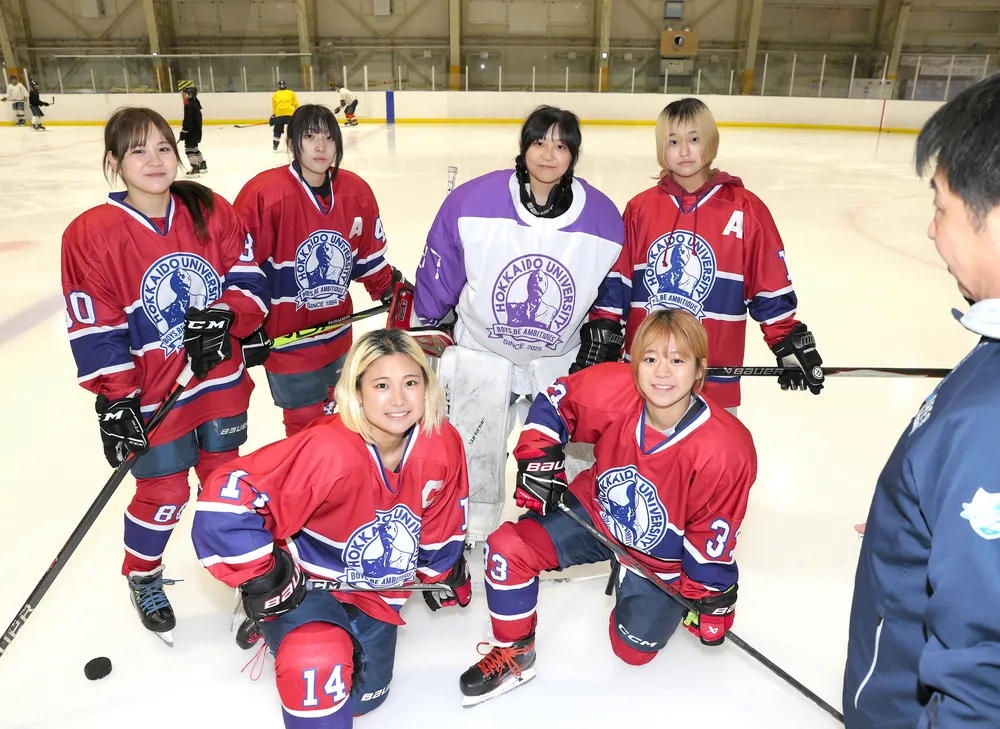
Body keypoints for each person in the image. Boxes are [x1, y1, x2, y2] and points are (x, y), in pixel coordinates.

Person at [458, 309, 757, 705]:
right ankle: (515, 651)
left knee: (632, 651)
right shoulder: (615, 390)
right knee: (507, 548)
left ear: (700, 369)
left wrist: (708, 596)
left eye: (677, 359)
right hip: (597, 512)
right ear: (634, 363)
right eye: (650, 359)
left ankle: (647, 596)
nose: (662, 372)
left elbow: (712, 534)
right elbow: (555, 400)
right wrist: (538, 456)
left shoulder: (726, 448)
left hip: (660, 559)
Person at [60, 106, 270, 645]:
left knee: (227, 484)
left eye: (163, 148)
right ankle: (144, 573)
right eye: (138, 150)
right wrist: (117, 399)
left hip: (219, 385)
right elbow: (97, 325)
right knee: (165, 491)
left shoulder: (211, 210)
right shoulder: (91, 235)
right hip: (156, 396)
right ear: (114, 161)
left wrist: (227, 320)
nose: (155, 160)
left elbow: (249, 280)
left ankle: (247, 574)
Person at [191, 328, 472, 728]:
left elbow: (443, 517)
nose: (398, 399)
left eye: (411, 382)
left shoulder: (440, 441)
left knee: (364, 701)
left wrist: (442, 571)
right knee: (317, 658)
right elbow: (224, 502)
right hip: (308, 581)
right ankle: (280, 623)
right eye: (381, 385)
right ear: (356, 393)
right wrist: (265, 579)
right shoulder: (329, 450)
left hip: (377, 589)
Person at [844, 74, 1000, 728]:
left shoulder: (988, 422)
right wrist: (908, 523)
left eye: (940, 205)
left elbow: (978, 672)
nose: (932, 231)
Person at [413, 105, 626, 543]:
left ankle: (560, 535)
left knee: (568, 456)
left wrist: (605, 332)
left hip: (558, 361)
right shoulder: (471, 202)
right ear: (524, 147)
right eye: (539, 142)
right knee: (470, 449)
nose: (549, 154)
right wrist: (428, 325)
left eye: (561, 145)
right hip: (482, 354)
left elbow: (614, 287)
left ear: (574, 155)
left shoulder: (604, 218)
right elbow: (442, 271)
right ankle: (463, 536)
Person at [595, 98, 823, 413]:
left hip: (713, 377)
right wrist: (604, 331)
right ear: (662, 148)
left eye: (694, 138)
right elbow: (618, 283)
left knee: (711, 460)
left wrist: (785, 339)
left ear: (711, 142)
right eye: (673, 141)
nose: (684, 150)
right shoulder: (640, 209)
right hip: (646, 376)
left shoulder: (745, 209)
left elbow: (766, 282)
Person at [235, 104, 403, 437]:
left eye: (329, 137)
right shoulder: (265, 195)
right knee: (306, 432)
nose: (321, 147)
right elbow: (241, 272)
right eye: (310, 136)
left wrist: (391, 289)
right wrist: (244, 326)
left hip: (338, 337)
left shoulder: (356, 192)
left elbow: (366, 259)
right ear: (292, 142)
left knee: (337, 425)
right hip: (286, 343)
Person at [178, 84, 206, 176]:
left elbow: (188, 120)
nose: (182, 95)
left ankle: (195, 167)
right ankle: (202, 164)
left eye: (185, 93)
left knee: (189, 149)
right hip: (196, 131)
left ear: (190, 94)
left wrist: (184, 131)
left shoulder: (189, 106)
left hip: (191, 131)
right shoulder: (195, 104)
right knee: (194, 148)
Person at [271, 79, 299, 151]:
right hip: (289, 114)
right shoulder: (291, 93)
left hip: (279, 115)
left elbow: (274, 106)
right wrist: (298, 111)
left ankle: (275, 145)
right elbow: (296, 104)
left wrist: (274, 114)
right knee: (292, 129)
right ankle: (293, 145)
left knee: (277, 130)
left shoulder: (275, 94)